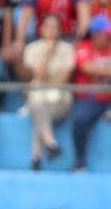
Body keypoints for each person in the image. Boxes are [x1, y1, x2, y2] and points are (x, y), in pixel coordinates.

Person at [23, 13, 75, 169]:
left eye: (55, 27)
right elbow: (38, 74)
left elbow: (63, 80)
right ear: (41, 28)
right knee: (38, 105)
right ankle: (49, 146)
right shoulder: (32, 48)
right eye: (48, 26)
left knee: (37, 108)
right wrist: (48, 53)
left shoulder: (68, 49)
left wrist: (46, 82)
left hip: (60, 99)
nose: (51, 30)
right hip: (39, 96)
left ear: (60, 30)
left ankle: (38, 155)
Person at [71, 15, 111, 170]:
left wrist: (102, 71)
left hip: (109, 97)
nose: (108, 36)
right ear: (95, 34)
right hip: (90, 98)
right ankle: (80, 163)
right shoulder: (83, 46)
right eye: (104, 33)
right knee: (79, 120)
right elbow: (87, 68)